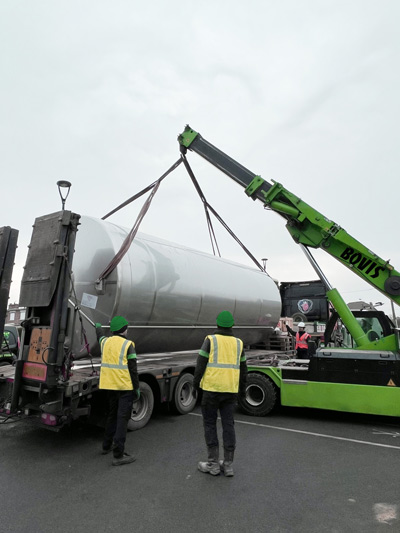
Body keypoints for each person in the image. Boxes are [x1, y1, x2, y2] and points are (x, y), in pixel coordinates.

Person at [193, 310, 247, 477]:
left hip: (211, 391)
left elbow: (200, 365)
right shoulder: (239, 343)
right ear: (232, 325)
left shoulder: (210, 340)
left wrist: (196, 385)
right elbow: (244, 371)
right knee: (228, 425)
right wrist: (242, 391)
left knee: (210, 425)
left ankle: (213, 465)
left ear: (216, 324)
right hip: (230, 391)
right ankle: (228, 465)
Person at [96, 316, 140, 466]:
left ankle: (106, 446)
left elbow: (100, 336)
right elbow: (133, 370)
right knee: (122, 420)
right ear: (123, 330)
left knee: (112, 416)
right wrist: (137, 388)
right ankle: (118, 455)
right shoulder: (128, 345)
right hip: (124, 388)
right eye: (126, 328)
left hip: (110, 387)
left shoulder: (105, 342)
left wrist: (98, 327)